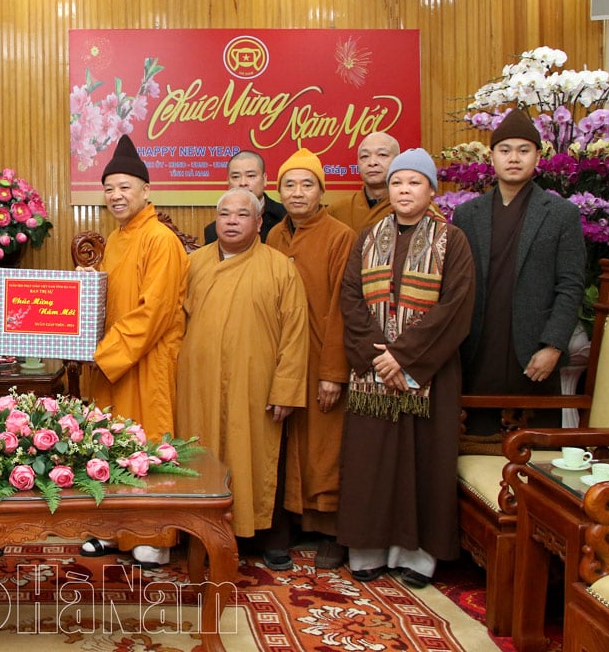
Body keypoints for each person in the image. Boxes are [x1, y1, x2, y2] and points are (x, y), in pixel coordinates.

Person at [337, 148, 476, 589]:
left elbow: (456, 307)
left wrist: (404, 357)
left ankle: (416, 558)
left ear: (432, 190)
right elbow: (351, 298)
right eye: (397, 183)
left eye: (414, 182)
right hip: (371, 375)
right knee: (370, 466)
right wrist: (379, 357)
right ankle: (368, 551)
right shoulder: (368, 236)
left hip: (429, 377)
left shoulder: (451, 241)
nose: (403, 190)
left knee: (423, 465)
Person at [80, 134, 188, 568]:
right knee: (110, 445)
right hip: (113, 362)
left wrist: (105, 354)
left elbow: (154, 312)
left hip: (145, 362)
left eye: (125, 187)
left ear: (147, 191)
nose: (116, 195)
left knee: (148, 444)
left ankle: (154, 536)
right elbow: (108, 300)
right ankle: (112, 529)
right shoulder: (118, 238)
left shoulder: (160, 239)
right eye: (109, 188)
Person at [177, 188, 308, 543]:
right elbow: (171, 322)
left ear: (259, 222)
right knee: (197, 453)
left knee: (253, 456)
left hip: (255, 385)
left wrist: (285, 389)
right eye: (225, 214)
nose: (232, 221)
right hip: (197, 383)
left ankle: (259, 537)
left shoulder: (280, 267)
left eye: (241, 215)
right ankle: (196, 532)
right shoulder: (192, 264)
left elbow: (296, 334)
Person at [451, 108, 586, 436]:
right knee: (476, 449)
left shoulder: (560, 214)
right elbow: (455, 284)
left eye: (523, 150)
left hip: (534, 353)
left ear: (538, 157)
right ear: (492, 157)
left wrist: (553, 346)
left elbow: (570, 286)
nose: (514, 158)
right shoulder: (468, 214)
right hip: (478, 349)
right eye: (505, 150)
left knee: (535, 452)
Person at [266, 148, 357, 571]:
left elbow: (344, 307)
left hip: (321, 356)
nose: (298, 192)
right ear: (278, 190)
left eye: (307, 184)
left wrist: (334, 374)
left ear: (322, 191)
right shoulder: (273, 237)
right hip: (284, 357)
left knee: (325, 446)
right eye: (290, 184)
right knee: (286, 443)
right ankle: (292, 523)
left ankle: (334, 532)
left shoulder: (340, 236)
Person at [201, 150, 286, 245]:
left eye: (251, 176)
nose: (243, 183)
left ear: (265, 179)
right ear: (228, 182)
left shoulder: (285, 218)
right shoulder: (215, 231)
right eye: (236, 177)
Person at [327, 132, 400, 233]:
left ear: (398, 160)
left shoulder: (407, 207)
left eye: (382, 154)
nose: (372, 162)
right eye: (365, 156)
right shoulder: (337, 211)